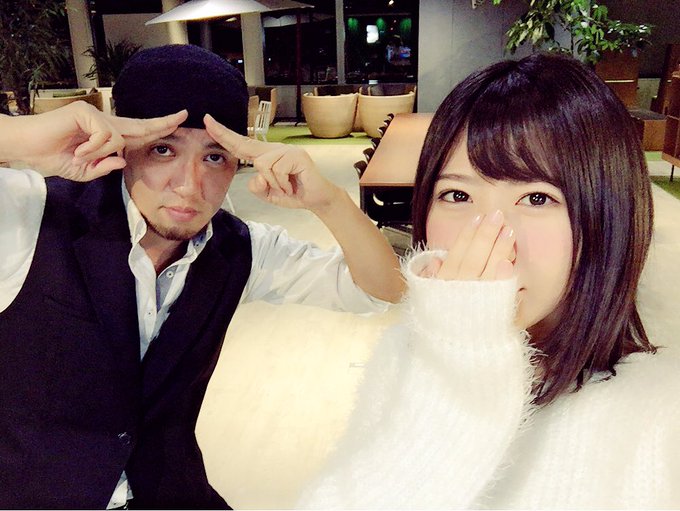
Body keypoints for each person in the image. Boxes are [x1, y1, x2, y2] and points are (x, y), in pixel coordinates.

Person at [0, 44, 403, 509]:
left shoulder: (240, 249)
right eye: (163, 149)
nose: (190, 186)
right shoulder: (32, 217)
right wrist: (20, 137)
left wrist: (329, 200)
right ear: (123, 145)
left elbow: (383, 289)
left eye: (215, 157)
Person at [296, 52, 680, 508]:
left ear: (610, 217)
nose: (488, 237)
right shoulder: (404, 356)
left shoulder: (660, 413)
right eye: (457, 195)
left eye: (537, 198)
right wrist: (455, 366)